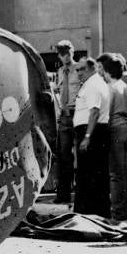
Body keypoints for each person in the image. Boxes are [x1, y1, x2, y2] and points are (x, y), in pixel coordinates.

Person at [72, 57, 110, 217]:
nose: (79, 73)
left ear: (92, 69)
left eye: (82, 69)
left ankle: (88, 212)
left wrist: (87, 136)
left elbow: (94, 111)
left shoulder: (93, 85)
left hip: (92, 132)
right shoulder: (92, 84)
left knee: (89, 174)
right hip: (91, 131)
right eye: (77, 70)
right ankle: (92, 211)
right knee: (91, 174)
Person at [99, 54, 127, 220]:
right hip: (126, 126)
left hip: (115, 127)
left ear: (107, 72)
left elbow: (107, 112)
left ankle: (118, 211)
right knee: (125, 172)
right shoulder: (124, 86)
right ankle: (125, 208)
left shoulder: (109, 88)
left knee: (115, 173)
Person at [53, 40, 80, 203]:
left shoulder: (79, 69)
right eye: (62, 53)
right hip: (64, 116)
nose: (65, 56)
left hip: (77, 113)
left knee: (80, 155)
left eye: (67, 52)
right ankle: (63, 194)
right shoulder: (60, 71)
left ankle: (80, 194)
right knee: (63, 156)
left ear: (72, 52)